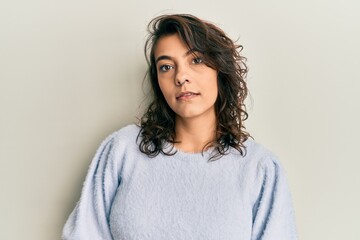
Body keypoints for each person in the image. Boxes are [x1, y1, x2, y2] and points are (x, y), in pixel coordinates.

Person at [62, 14, 297, 240]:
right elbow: (84, 233)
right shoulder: (123, 150)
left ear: (220, 70)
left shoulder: (259, 167)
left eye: (196, 60)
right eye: (166, 67)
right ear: (158, 82)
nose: (181, 77)